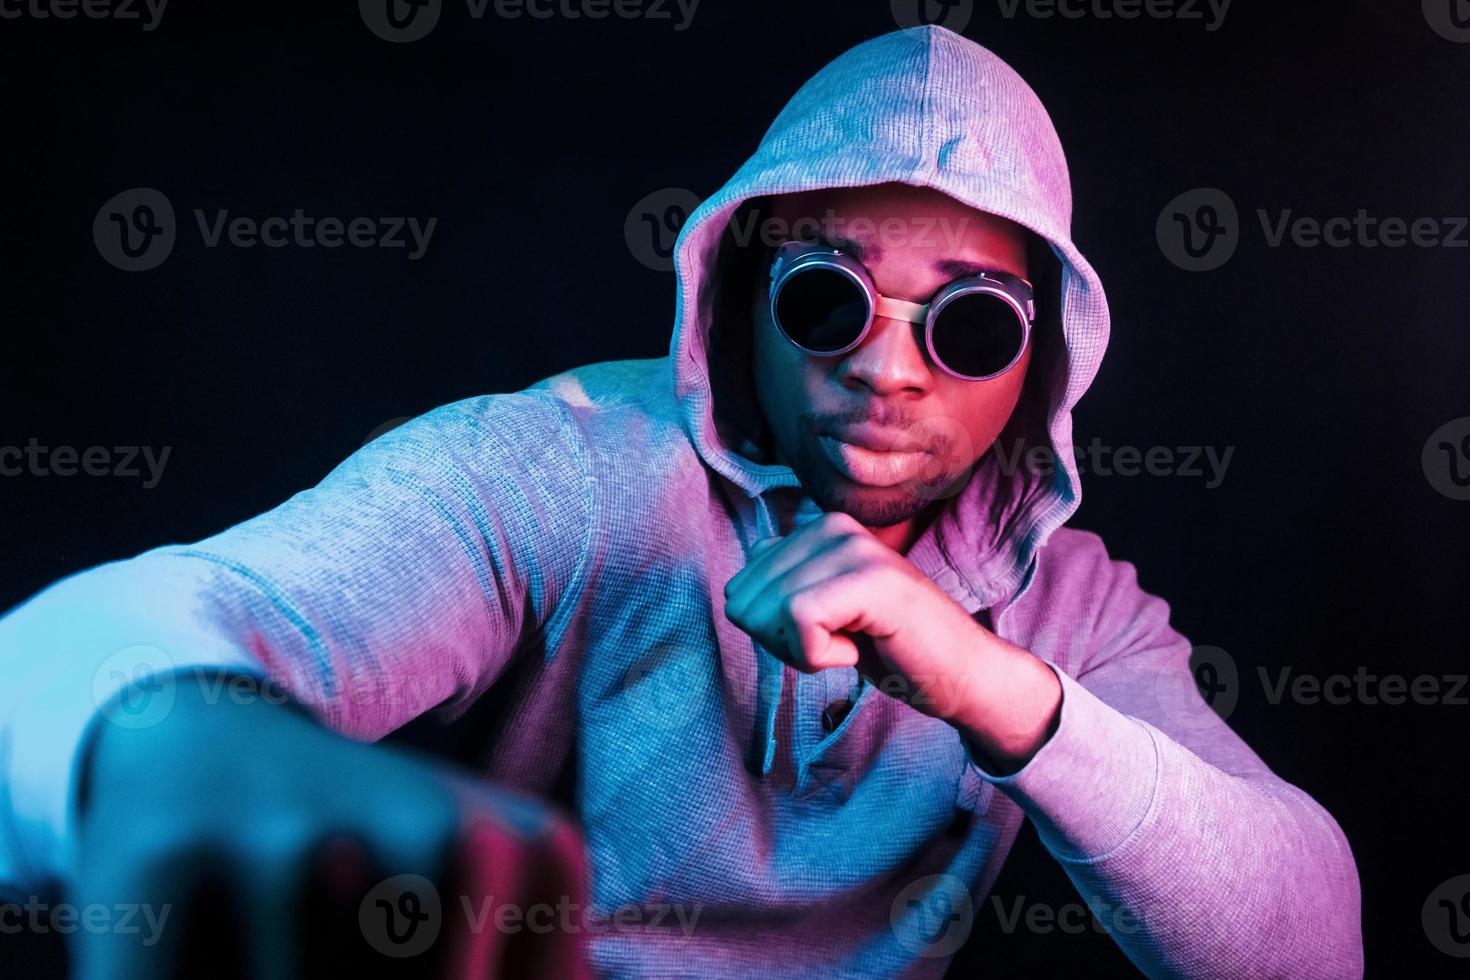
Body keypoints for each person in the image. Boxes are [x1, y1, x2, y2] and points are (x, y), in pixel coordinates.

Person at [0, 24, 1363, 979]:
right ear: (738, 297)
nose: (885, 368)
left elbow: (1311, 942)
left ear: (1044, 356)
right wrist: (161, 726)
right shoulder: (564, 472)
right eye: (827, 297)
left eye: (967, 325)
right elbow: (130, 632)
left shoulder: (1074, 615)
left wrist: (991, 687)